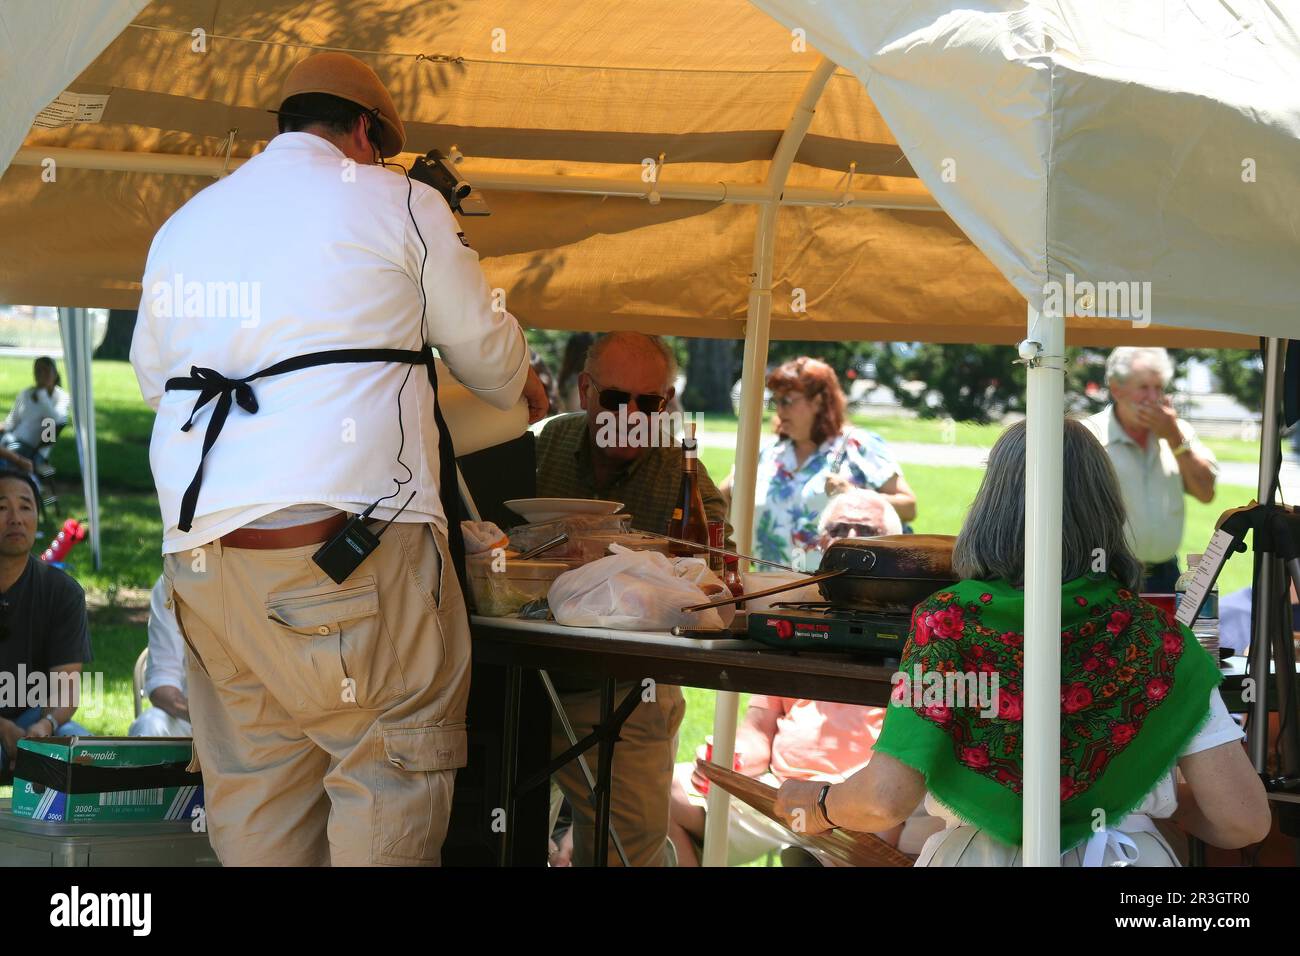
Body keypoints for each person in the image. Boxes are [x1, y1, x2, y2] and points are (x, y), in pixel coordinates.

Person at [130, 51, 548, 866]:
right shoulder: (403, 200)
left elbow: (158, 384)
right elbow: (495, 367)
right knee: (390, 769)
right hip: (343, 551)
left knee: (258, 796)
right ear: (364, 131)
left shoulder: (187, 222)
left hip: (210, 565)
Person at [772, 420, 1271, 866]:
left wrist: (815, 804)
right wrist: (1159, 805)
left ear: (990, 508)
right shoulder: (1157, 637)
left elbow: (884, 799)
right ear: (1108, 513)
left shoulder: (951, 624)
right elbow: (1242, 821)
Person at [534, 330, 729, 866]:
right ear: (585, 391)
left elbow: (718, 567)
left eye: (650, 401)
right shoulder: (550, 441)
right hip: (528, 673)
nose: (632, 414)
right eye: (617, 398)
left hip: (629, 688)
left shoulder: (678, 467)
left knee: (626, 848)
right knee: (504, 829)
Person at [668, 696, 942, 866]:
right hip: (779, 794)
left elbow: (895, 779)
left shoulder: (901, 655)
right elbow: (758, 729)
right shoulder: (789, 645)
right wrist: (736, 756)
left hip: (851, 801)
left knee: (885, 835)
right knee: (664, 795)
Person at [723, 357, 916, 570]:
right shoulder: (766, 453)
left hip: (834, 595)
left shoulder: (858, 446)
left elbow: (909, 507)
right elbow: (719, 500)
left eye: (787, 401)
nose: (779, 410)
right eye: (775, 401)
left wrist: (855, 495)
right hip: (766, 592)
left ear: (818, 401)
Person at [1082, 347, 1217, 593]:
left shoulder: (1178, 431)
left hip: (1165, 574)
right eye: (1144, 387)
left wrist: (1175, 439)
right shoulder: (1089, 436)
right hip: (1106, 574)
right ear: (1116, 389)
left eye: (1159, 387)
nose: (1153, 397)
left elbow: (1206, 492)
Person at [0, 473, 92, 776]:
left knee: (86, 753)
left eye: (25, 507)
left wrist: (45, 726)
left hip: (33, 723)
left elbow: (65, 688)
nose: (15, 519)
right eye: (2, 507)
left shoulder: (63, 592)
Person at [128, 576, 192, 737]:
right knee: (150, 725)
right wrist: (205, 718)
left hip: (258, 721)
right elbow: (163, 681)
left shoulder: (262, 580)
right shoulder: (173, 582)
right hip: (194, 720)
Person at [0, 356, 69, 476]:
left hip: (34, 450)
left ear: (55, 374)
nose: (41, 375)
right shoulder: (25, 394)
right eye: (38, 371)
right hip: (12, 440)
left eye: (46, 371)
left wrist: (42, 395)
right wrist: (3, 426)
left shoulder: (61, 397)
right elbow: (11, 421)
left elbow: (56, 420)